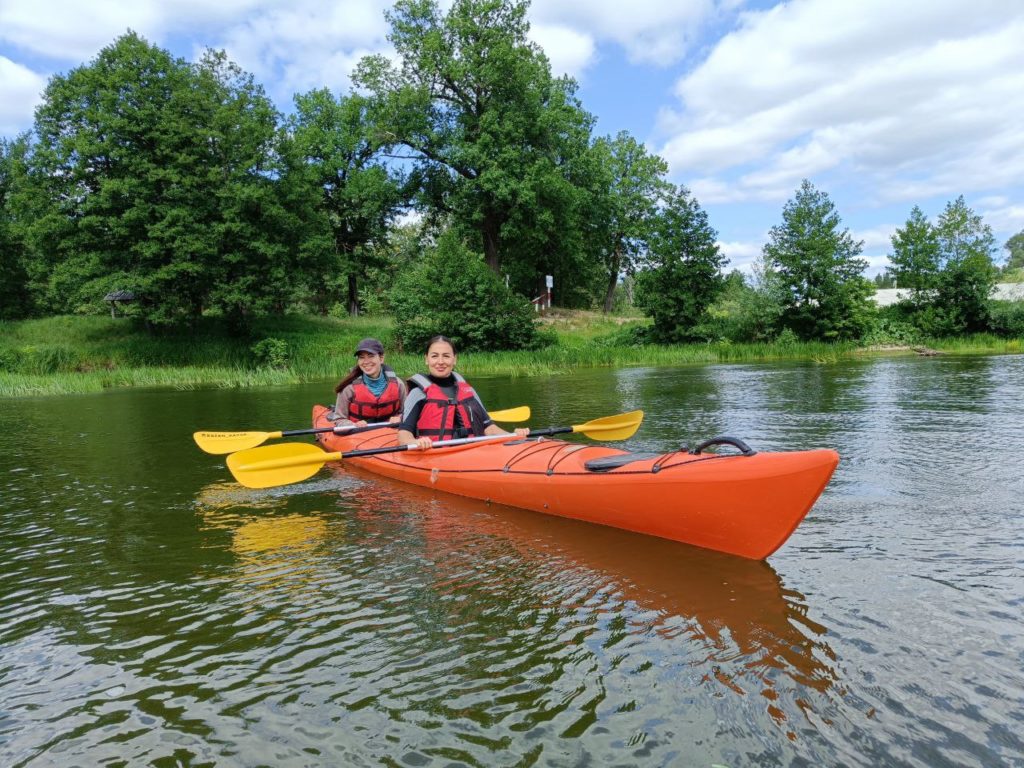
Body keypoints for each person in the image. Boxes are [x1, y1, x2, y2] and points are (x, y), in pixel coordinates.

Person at [397, 335, 530, 450]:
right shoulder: (418, 393)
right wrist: (415, 442)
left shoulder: (468, 390)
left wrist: (513, 436)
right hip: (435, 454)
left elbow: (489, 428)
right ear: (426, 359)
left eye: (446, 356)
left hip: (473, 452)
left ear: (454, 359)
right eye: (434, 356)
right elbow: (404, 434)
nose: (440, 362)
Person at [330, 338, 408, 428]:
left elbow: (406, 413)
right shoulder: (348, 388)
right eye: (361, 357)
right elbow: (339, 419)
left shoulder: (398, 384)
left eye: (371, 356)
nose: (366, 362)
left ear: (381, 358)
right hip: (358, 435)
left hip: (390, 433)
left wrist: (400, 417)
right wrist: (353, 425)